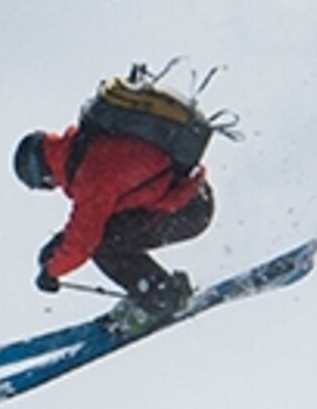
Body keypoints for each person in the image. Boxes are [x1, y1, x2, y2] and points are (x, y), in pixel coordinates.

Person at [12, 108, 214, 319]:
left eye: (43, 185)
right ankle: (153, 290)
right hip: (191, 194)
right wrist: (60, 245)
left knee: (103, 246)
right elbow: (97, 218)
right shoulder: (88, 145)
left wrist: (51, 271)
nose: (52, 187)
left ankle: (163, 298)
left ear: (43, 174)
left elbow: (84, 241)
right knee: (106, 237)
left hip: (186, 209)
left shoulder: (88, 173)